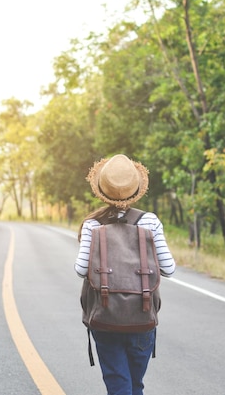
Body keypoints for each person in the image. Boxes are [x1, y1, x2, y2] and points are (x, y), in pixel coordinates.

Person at [74, 154, 176, 395]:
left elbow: (80, 270)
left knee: (118, 383)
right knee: (134, 384)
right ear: (136, 189)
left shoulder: (92, 225)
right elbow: (169, 269)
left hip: (105, 316)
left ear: (101, 189)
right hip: (141, 317)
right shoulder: (149, 221)